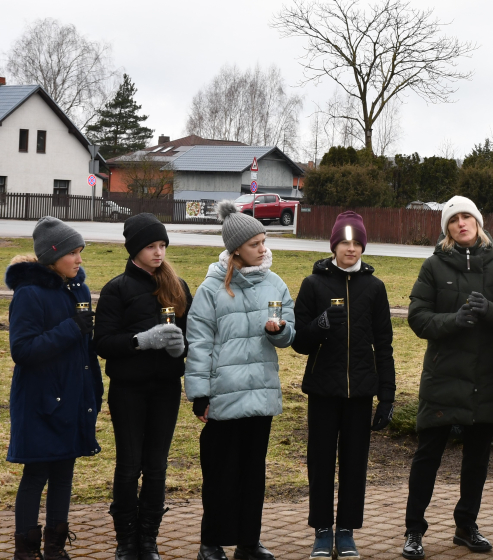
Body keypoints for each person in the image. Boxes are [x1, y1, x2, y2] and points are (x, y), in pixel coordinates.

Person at [402, 196, 493, 560]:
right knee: (427, 456)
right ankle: (414, 530)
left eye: (467, 217)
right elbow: (417, 318)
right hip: (443, 375)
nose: (461, 223)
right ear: (447, 228)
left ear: (478, 222)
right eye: (454, 220)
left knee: (477, 458)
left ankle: (466, 526)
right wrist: (454, 321)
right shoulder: (433, 266)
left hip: (486, 375)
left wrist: (491, 311)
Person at [185, 201, 296, 560]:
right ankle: (211, 543)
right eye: (255, 244)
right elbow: (199, 343)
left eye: (264, 241)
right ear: (235, 250)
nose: (263, 249)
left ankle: (249, 543)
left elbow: (288, 331)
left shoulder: (275, 284)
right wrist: (199, 394)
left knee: (253, 475)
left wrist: (278, 332)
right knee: (220, 474)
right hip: (224, 397)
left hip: (260, 397)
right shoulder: (211, 289)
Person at [292, 211, 396, 560]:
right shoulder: (314, 284)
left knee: (355, 463)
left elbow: (384, 345)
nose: (350, 249)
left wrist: (387, 396)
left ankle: (347, 530)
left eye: (356, 242)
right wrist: (320, 324)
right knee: (321, 462)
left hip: (361, 393)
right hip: (323, 389)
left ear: (362, 245)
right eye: (344, 242)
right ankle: (322, 530)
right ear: (333, 244)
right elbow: (299, 342)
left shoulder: (375, 288)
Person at [94, 213, 192, 560]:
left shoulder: (177, 286)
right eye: (151, 246)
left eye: (162, 245)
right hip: (128, 391)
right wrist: (139, 341)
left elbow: (191, 337)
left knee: (156, 466)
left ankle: (148, 539)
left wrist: (181, 349)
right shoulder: (116, 289)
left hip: (165, 389)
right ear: (135, 249)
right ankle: (126, 539)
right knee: (128, 464)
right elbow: (102, 342)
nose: (158, 252)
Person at [6, 217, 102, 560]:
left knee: (64, 474)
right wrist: (71, 328)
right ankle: (26, 551)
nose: (79, 260)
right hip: (41, 402)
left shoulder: (76, 290)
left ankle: (55, 549)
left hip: (72, 399)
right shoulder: (30, 294)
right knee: (37, 474)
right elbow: (24, 351)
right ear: (52, 256)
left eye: (80, 252)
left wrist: (94, 390)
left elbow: (85, 352)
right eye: (73, 253)